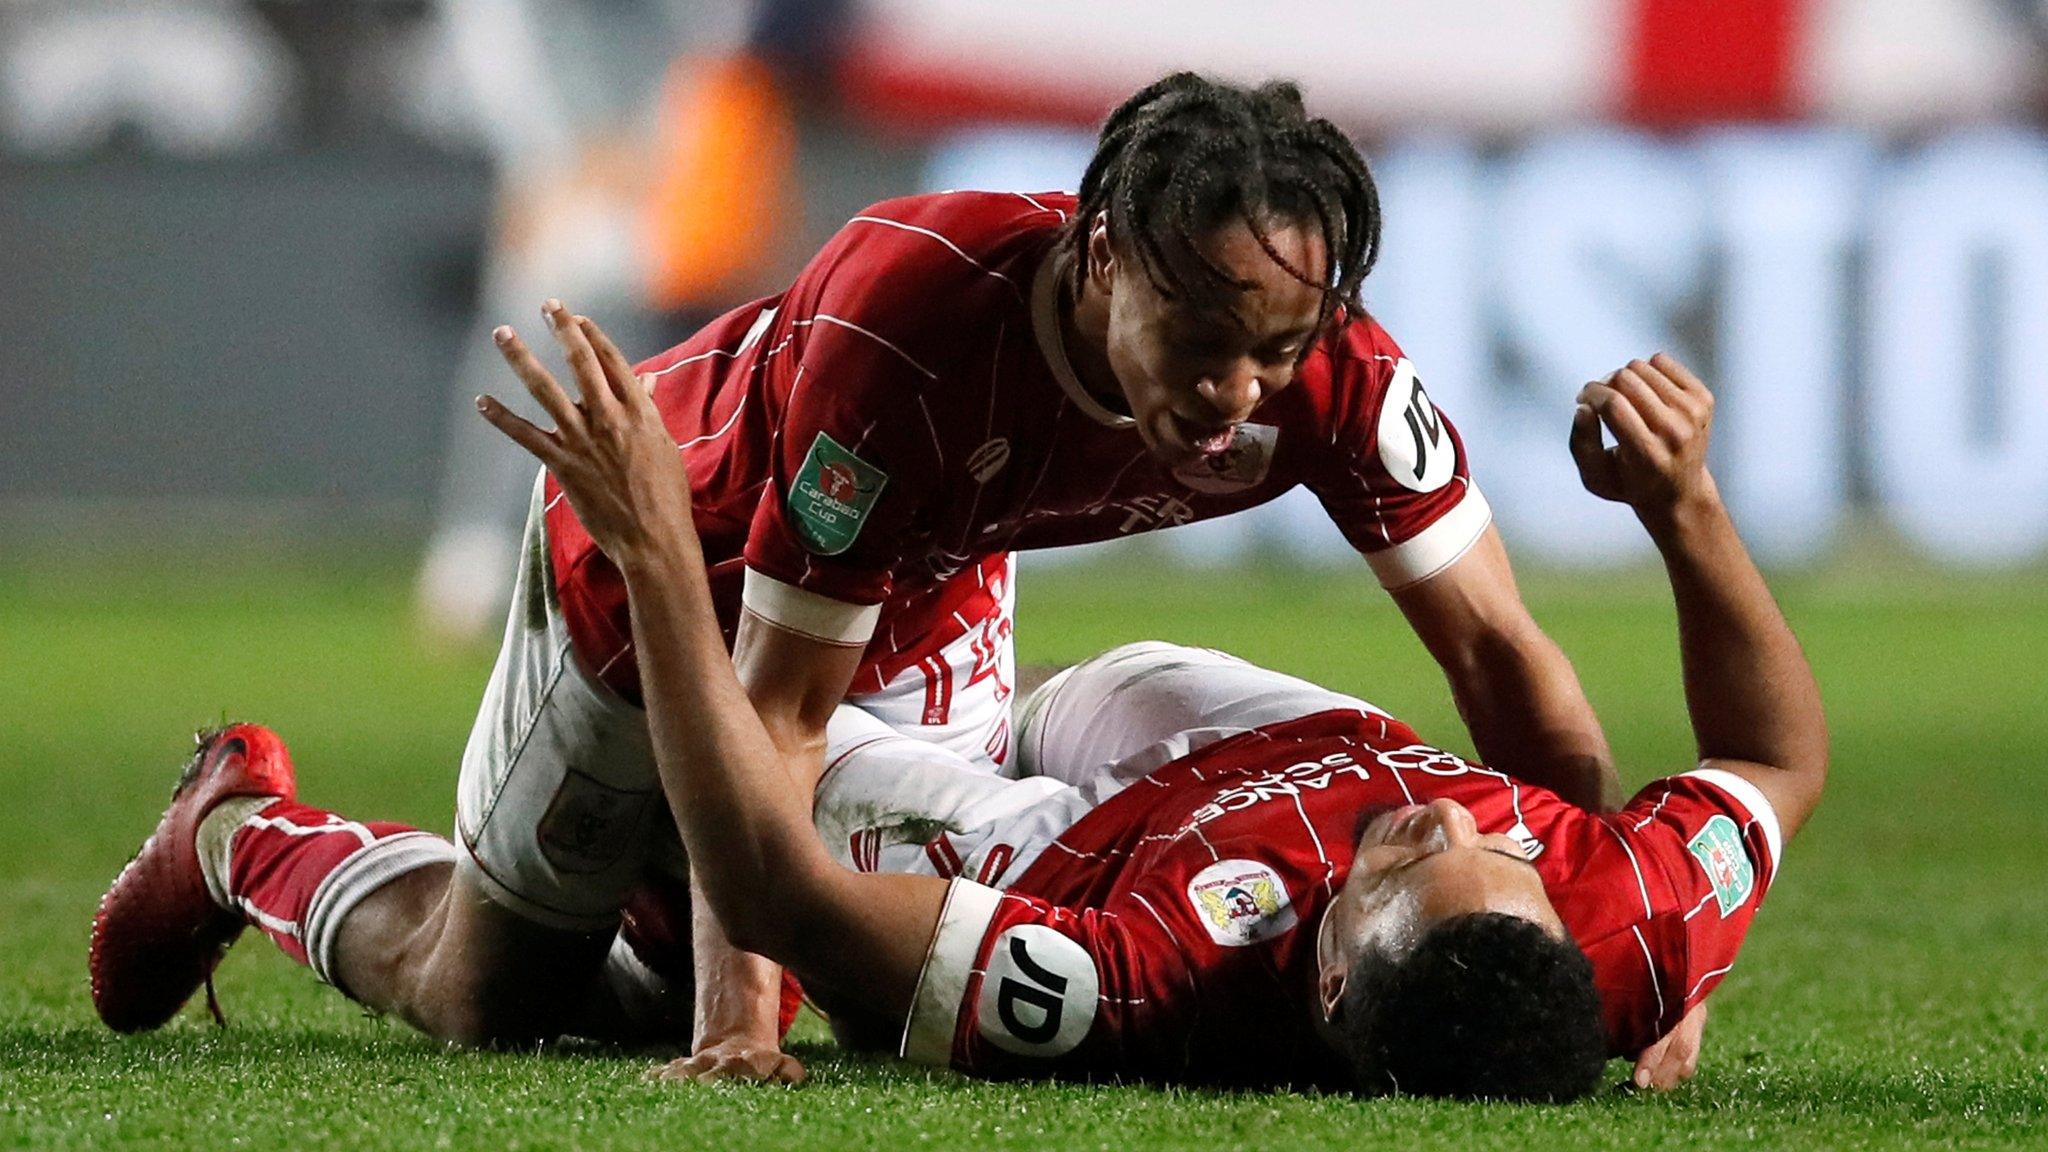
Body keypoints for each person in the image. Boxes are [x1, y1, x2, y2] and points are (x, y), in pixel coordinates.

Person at [90, 73, 1617, 1082]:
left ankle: (649, 921)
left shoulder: (1331, 379)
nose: (1238, 389)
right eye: (1202, 338)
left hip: (928, 584)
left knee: (843, 967)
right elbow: (779, 710)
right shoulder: (913, 332)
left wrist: (1607, 964)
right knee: (484, 997)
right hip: (658, 564)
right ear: (1098, 260)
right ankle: (242, 834)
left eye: (1275, 348)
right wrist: (733, 1024)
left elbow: (1501, 662)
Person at [469, 336, 1823, 1097]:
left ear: (1333, 978)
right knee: (1136, 686)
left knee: (795, 784)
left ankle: (626, 866)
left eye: (1409, 863)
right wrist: (1686, 509)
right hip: (1256, 741)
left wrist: (655, 552)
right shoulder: (1632, 921)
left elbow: (778, 891)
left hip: (1073, 854)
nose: (1440, 812)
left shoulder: (1132, 985)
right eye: (1500, 846)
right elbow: (1777, 755)